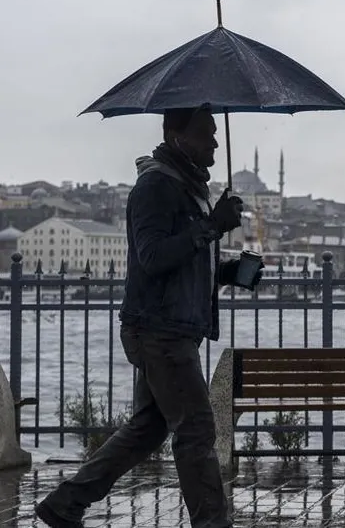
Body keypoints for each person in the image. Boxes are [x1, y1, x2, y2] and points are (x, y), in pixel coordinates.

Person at [36, 106, 261, 528]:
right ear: (178, 137)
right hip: (160, 330)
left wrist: (230, 271)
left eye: (215, 133)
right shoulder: (156, 185)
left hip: (173, 328)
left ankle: (64, 503)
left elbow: (186, 262)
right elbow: (153, 257)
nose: (214, 141)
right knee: (194, 431)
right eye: (205, 133)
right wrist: (212, 226)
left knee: (147, 429)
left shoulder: (188, 187)